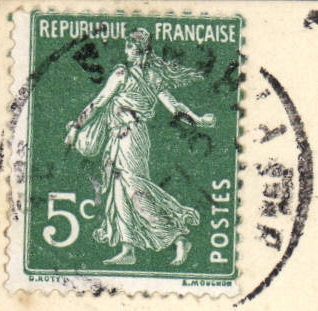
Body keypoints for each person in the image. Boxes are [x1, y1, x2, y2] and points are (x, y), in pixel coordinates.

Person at [63, 28, 215, 266]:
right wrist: (198, 120)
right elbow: (175, 108)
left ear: (140, 51)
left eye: (129, 47)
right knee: (119, 190)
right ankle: (128, 249)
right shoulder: (153, 77)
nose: (126, 52)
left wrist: (75, 128)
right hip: (122, 137)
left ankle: (177, 237)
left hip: (129, 137)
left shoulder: (123, 74)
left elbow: (98, 103)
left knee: (135, 189)